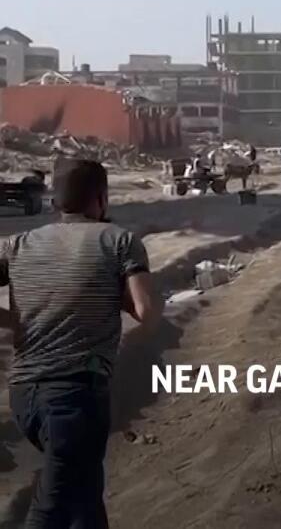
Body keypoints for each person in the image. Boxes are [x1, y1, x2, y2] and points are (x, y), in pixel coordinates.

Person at [1, 159, 161, 527]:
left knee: (85, 499)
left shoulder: (19, 244)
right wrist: (116, 296)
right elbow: (147, 313)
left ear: (56, 201)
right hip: (74, 398)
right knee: (51, 508)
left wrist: (15, 320)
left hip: (25, 394)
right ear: (102, 198)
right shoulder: (119, 241)